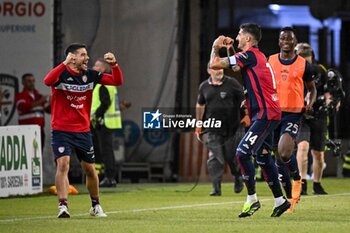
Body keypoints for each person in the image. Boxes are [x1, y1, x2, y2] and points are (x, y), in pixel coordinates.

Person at [210, 23, 290, 218]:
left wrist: (215, 46)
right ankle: (280, 201)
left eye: (239, 35)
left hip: (265, 114)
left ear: (247, 38)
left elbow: (214, 65)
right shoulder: (256, 57)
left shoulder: (250, 55)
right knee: (262, 156)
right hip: (267, 112)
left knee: (242, 153)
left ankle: (252, 198)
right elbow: (239, 68)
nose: (236, 38)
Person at [44, 43, 124, 218]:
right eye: (83, 55)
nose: (87, 58)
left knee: (89, 169)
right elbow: (47, 81)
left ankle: (95, 205)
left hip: (82, 131)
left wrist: (114, 65)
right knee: (63, 164)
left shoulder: (90, 75)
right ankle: (63, 206)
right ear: (72, 58)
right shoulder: (61, 74)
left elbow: (117, 81)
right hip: (61, 130)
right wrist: (63, 64)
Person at [268, 27, 316, 212]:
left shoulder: (304, 64)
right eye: (283, 38)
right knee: (277, 157)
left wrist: (309, 102)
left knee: (285, 152)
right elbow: (261, 83)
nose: (286, 41)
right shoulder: (270, 61)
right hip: (272, 113)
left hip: (293, 113)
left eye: (289, 38)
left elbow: (312, 89)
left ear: (295, 43)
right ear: (279, 42)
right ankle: (288, 196)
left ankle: (297, 178)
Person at [195, 64, 244, 196]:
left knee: (231, 157)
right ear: (209, 70)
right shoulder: (204, 86)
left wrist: (247, 116)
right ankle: (216, 187)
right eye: (215, 69)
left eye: (221, 68)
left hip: (232, 128)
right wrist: (199, 123)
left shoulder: (232, 83)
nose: (219, 71)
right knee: (215, 158)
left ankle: (238, 175)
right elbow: (200, 104)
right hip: (213, 128)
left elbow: (244, 100)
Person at [295, 42, 330, 195]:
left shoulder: (320, 71)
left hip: (318, 115)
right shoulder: (293, 71)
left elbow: (329, 90)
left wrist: (329, 100)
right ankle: (302, 183)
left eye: (307, 60)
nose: (305, 63)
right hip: (301, 115)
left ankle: (317, 183)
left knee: (318, 154)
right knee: (302, 147)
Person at [90, 58, 128, 187]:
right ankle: (105, 176)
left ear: (102, 69)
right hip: (108, 121)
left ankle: (109, 177)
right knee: (104, 150)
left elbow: (105, 103)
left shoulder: (102, 84)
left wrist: (96, 116)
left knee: (106, 151)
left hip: (104, 122)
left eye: (96, 66)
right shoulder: (109, 84)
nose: (93, 67)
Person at [15, 73, 51, 149]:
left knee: (39, 154)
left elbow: (49, 110)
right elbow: (22, 107)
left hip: (40, 130)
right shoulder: (20, 96)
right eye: (28, 81)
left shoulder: (39, 96)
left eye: (33, 81)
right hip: (26, 130)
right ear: (23, 83)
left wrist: (52, 103)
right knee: (28, 153)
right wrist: (41, 101)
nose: (31, 83)